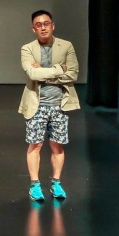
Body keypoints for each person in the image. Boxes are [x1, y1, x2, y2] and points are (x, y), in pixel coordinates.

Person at [20, 10, 79, 202]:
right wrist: (58, 70)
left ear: (53, 25)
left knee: (57, 146)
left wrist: (44, 71)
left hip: (60, 104)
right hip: (36, 104)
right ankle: (35, 185)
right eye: (39, 24)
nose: (43, 27)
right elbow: (32, 74)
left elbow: (73, 74)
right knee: (35, 145)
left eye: (46, 23)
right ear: (33, 28)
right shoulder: (27, 49)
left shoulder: (66, 46)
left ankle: (56, 183)